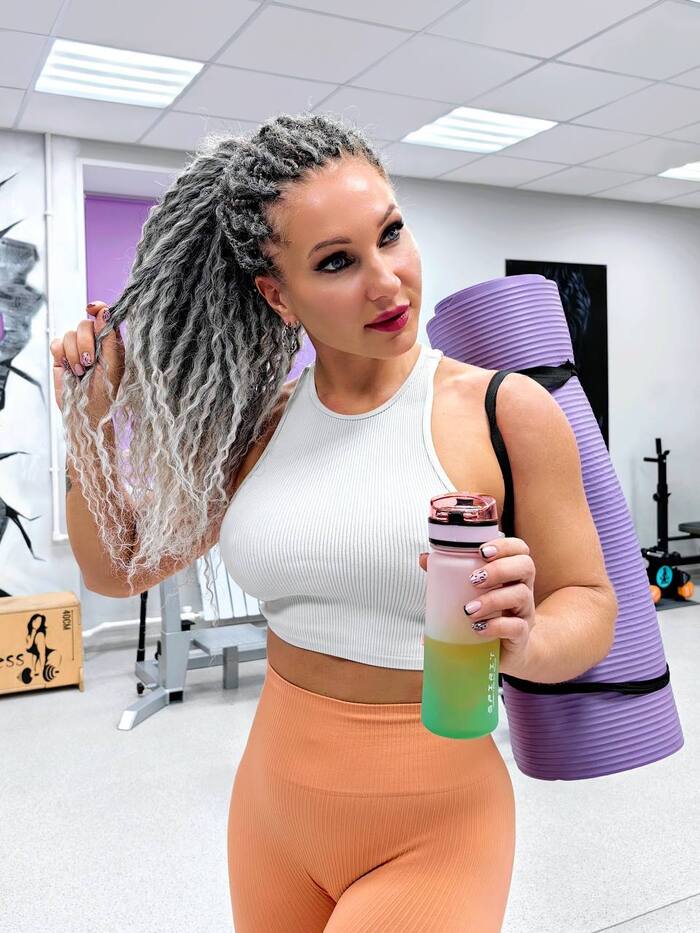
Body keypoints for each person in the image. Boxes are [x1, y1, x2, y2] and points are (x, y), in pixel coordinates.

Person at [51, 112, 617, 931]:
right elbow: (117, 567)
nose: (387, 282)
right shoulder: (260, 427)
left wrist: (527, 638)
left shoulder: (506, 409)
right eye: (337, 261)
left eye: (391, 233)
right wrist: (88, 417)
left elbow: (591, 601)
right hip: (273, 812)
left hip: (436, 821)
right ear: (277, 295)